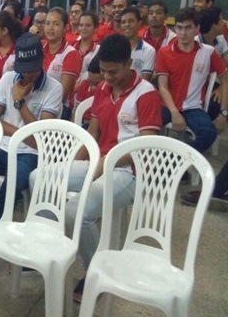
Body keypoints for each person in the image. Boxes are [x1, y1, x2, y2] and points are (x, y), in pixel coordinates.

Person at [62, 33, 163, 302]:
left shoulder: (146, 94)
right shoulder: (103, 89)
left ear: (129, 64)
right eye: (104, 71)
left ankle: (96, 273)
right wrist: (76, 162)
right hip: (101, 162)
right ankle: (54, 249)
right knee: (42, 178)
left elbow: (145, 147)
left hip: (130, 172)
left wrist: (104, 163)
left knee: (76, 212)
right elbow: (93, 133)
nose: (107, 77)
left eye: (113, 71)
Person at [0, 33, 63, 291]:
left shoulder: (54, 88)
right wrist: (21, 131)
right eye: (23, 69)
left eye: (32, 70)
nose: (27, 75)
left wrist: (19, 102)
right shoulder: (9, 78)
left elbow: (41, 140)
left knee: (9, 192)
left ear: (42, 62)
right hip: (2, 147)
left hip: (29, 156)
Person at [156, 6, 227, 153]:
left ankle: (177, 161)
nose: (183, 33)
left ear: (197, 29)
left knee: (209, 133)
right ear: (175, 29)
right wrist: (174, 112)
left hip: (193, 107)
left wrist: (223, 113)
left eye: (188, 28)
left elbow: (225, 79)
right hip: (167, 106)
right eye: (179, 28)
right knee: (145, 126)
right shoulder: (164, 52)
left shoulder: (208, 52)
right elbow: (162, 86)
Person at [42, 7, 81, 118]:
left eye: (56, 24)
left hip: (60, 106)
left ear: (65, 28)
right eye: (47, 23)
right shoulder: (40, 46)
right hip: (36, 101)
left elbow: (62, 94)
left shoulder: (71, 54)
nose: (50, 28)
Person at [120, 5, 155, 81]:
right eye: (123, 22)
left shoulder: (149, 50)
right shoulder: (115, 47)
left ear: (139, 23)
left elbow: (145, 81)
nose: (127, 24)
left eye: (131, 21)